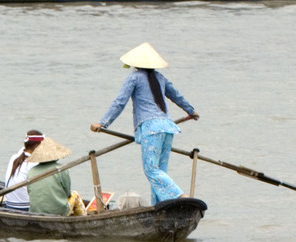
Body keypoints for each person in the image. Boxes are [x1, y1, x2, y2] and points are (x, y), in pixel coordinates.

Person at [90, 42, 200, 205]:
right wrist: (191, 111)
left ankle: (180, 197)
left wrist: (103, 123)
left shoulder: (133, 78)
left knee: (151, 170)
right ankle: (160, 206)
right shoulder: (160, 78)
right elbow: (177, 96)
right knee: (160, 172)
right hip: (167, 127)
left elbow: (120, 102)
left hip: (151, 128)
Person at [25, 137, 73, 216]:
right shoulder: (61, 169)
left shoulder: (31, 171)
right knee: (76, 195)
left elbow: (30, 192)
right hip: (58, 212)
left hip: (35, 211)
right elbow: (68, 193)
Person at [1, 130, 45, 211]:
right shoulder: (35, 163)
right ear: (37, 146)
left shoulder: (14, 157)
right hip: (26, 207)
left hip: (10, 204)